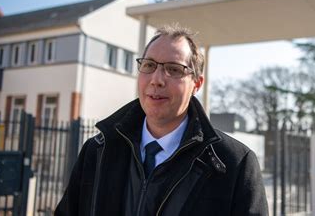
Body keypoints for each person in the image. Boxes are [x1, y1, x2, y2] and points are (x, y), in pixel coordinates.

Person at [55, 24, 268, 216]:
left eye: (174, 69)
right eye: (149, 65)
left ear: (197, 84)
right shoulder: (97, 152)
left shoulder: (233, 164)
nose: (157, 80)